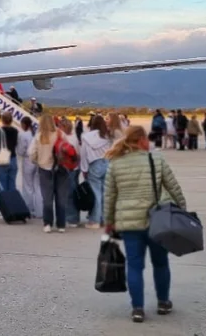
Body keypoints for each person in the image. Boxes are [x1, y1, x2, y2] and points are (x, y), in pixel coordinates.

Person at [104, 125, 187, 323]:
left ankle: (138, 308)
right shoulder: (156, 159)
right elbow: (173, 185)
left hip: (129, 224)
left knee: (134, 266)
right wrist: (182, 209)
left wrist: (109, 221)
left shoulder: (116, 163)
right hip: (157, 220)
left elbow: (109, 196)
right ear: (141, 139)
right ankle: (163, 302)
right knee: (160, 263)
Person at [28, 114, 69, 233]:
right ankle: (61, 224)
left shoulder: (39, 136)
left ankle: (47, 223)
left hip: (45, 169)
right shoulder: (60, 134)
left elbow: (31, 153)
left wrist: (38, 161)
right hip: (61, 169)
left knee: (47, 199)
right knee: (61, 198)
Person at [80, 114, 113, 228]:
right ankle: (104, 218)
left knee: (96, 194)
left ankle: (94, 220)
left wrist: (84, 169)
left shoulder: (87, 137)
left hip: (94, 164)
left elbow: (83, 154)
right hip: (107, 163)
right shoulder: (107, 136)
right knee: (105, 193)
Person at [17, 117, 42, 218]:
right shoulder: (36, 134)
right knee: (38, 187)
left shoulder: (23, 134)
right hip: (38, 161)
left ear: (23, 124)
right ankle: (40, 211)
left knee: (28, 186)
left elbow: (21, 150)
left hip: (28, 160)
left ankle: (29, 208)